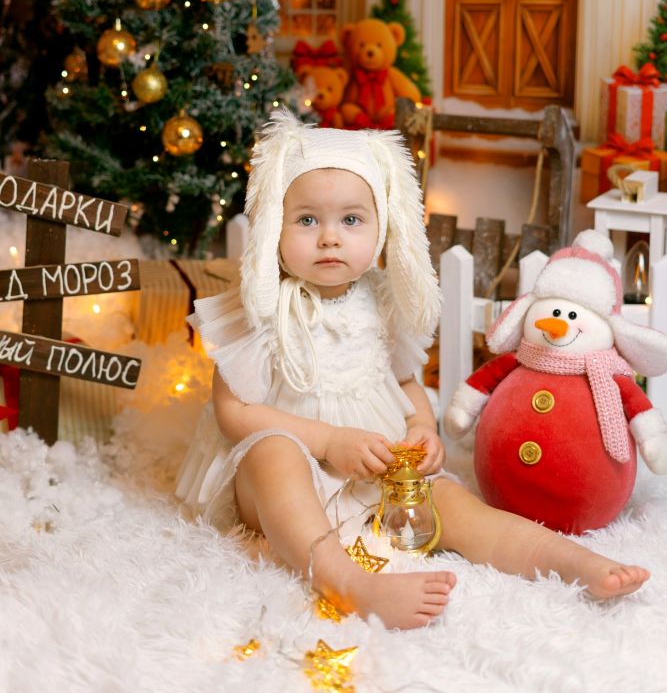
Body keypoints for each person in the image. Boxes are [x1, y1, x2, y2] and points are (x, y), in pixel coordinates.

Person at [176, 109, 649, 630]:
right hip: (286, 482)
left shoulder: (384, 302)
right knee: (273, 454)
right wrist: (329, 441)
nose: (330, 237)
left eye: (351, 220)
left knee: (458, 507)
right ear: (273, 225)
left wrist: (421, 425)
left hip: (379, 469)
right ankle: (346, 581)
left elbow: (404, 381)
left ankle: (570, 561)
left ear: (381, 227)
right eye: (307, 220)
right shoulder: (260, 307)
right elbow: (234, 413)